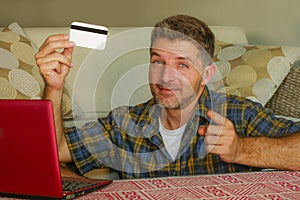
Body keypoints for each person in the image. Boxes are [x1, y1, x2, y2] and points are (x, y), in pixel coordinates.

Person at [35, 14, 300, 179]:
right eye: (157, 61)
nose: (165, 77)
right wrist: (54, 87)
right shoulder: (124, 123)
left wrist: (241, 149)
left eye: (182, 65)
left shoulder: (239, 115)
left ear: (207, 74)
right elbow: (54, 151)